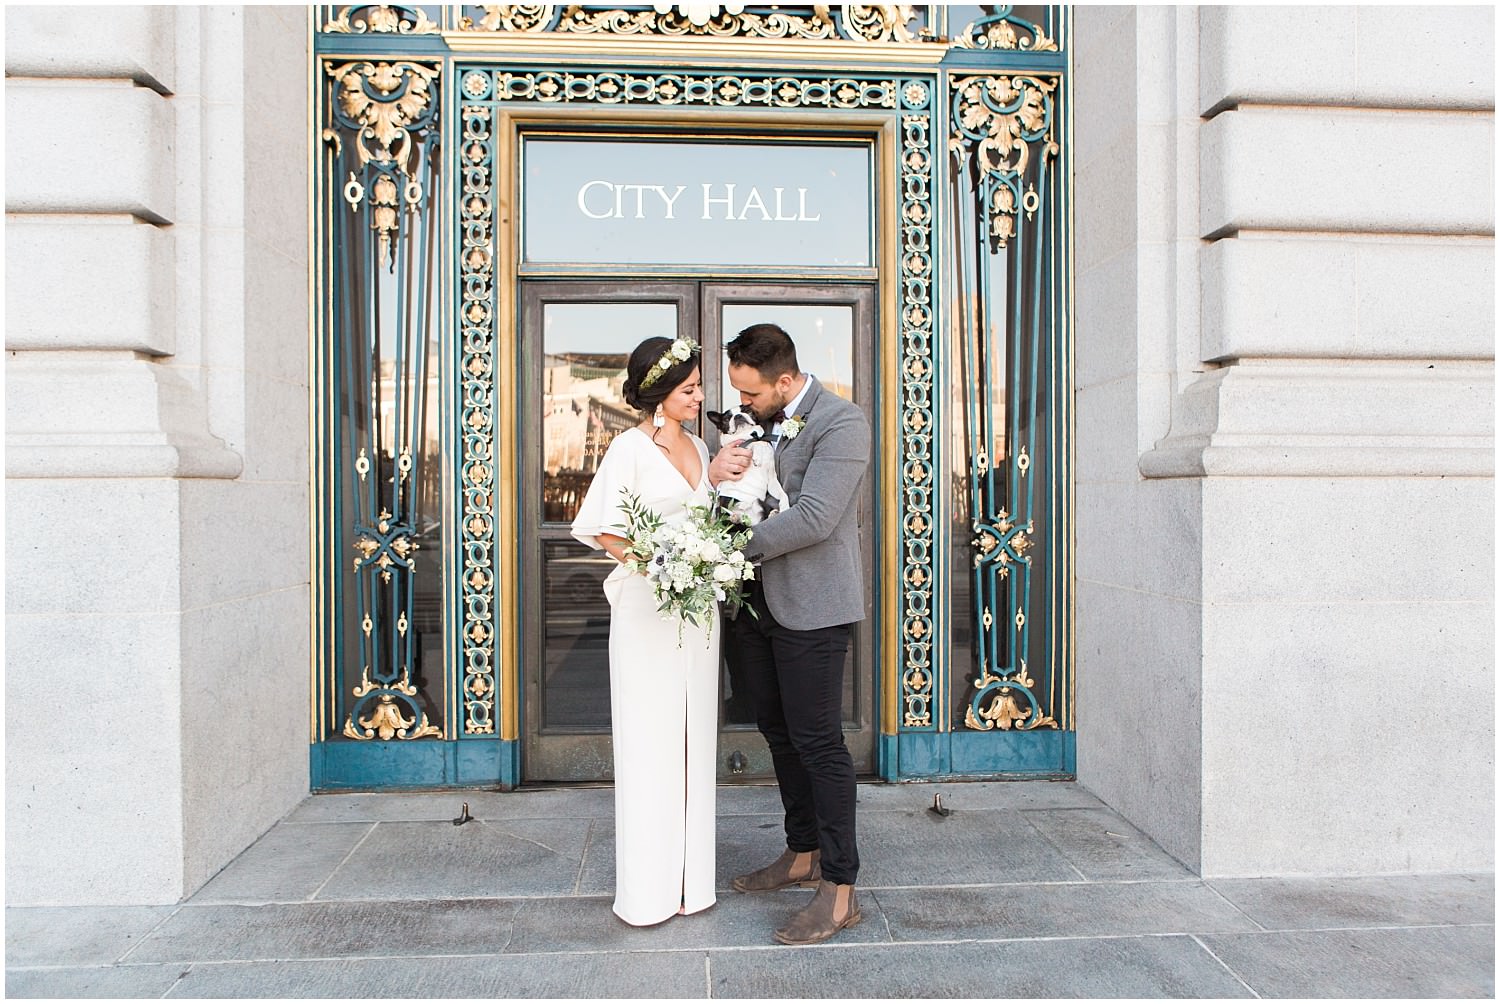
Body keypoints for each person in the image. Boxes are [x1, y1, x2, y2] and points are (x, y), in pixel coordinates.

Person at [709, 322, 871, 946]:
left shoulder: (841, 422)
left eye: (749, 395)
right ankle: (800, 851)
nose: (741, 405)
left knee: (819, 743)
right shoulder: (756, 420)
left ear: (784, 381)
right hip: (757, 610)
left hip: (814, 608)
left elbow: (817, 517)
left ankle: (840, 888)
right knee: (777, 734)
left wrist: (727, 549)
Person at [569, 335, 717, 926]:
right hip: (646, 610)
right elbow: (606, 531)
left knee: (693, 740)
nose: (701, 396)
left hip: (698, 614)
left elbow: (711, 521)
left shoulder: (703, 448)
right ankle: (648, 892)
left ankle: (691, 884)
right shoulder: (628, 449)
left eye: (700, 386)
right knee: (650, 743)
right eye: (690, 389)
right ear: (660, 395)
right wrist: (662, 569)